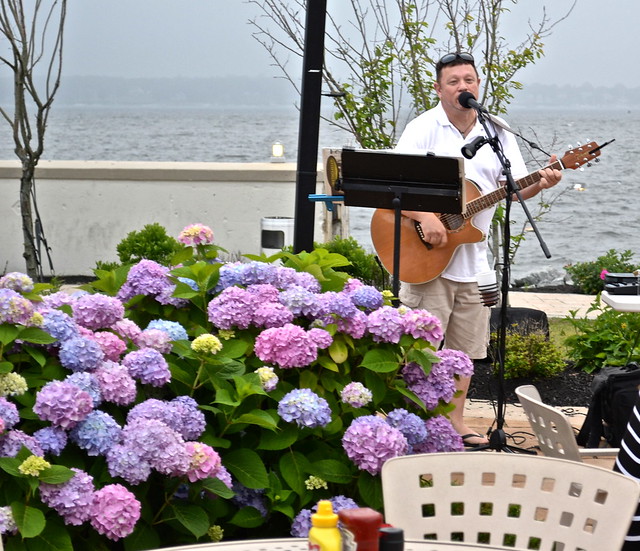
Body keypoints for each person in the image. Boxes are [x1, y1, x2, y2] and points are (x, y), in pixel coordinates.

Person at [394, 52, 562, 447]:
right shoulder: (422, 129)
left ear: (478, 85)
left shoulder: (498, 130)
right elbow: (393, 190)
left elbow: (517, 185)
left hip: (474, 263)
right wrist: (424, 217)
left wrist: (545, 181)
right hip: (426, 262)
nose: (462, 87)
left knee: (464, 352)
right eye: (453, 81)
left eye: (469, 79)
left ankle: (454, 424)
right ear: (438, 89)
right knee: (418, 351)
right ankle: (416, 425)